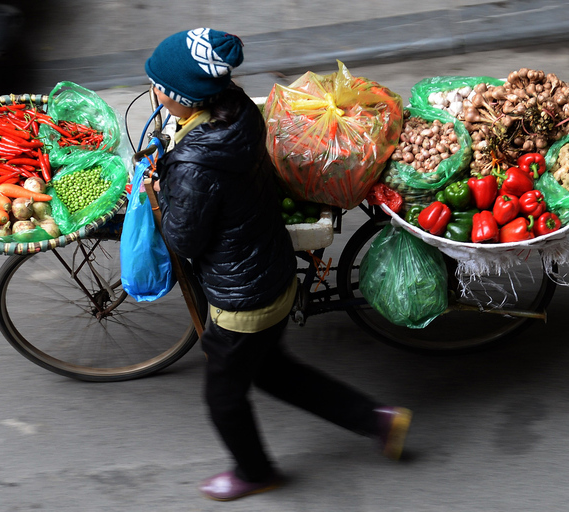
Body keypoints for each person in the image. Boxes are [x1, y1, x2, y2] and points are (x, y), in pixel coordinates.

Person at [145, 27, 412, 502]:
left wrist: (164, 195)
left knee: (223, 396)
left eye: (159, 86)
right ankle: (378, 421)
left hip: (241, 299)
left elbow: (184, 239)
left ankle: (253, 471)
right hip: (272, 270)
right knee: (274, 371)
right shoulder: (239, 112)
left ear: (180, 96)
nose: (155, 91)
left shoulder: (193, 166)